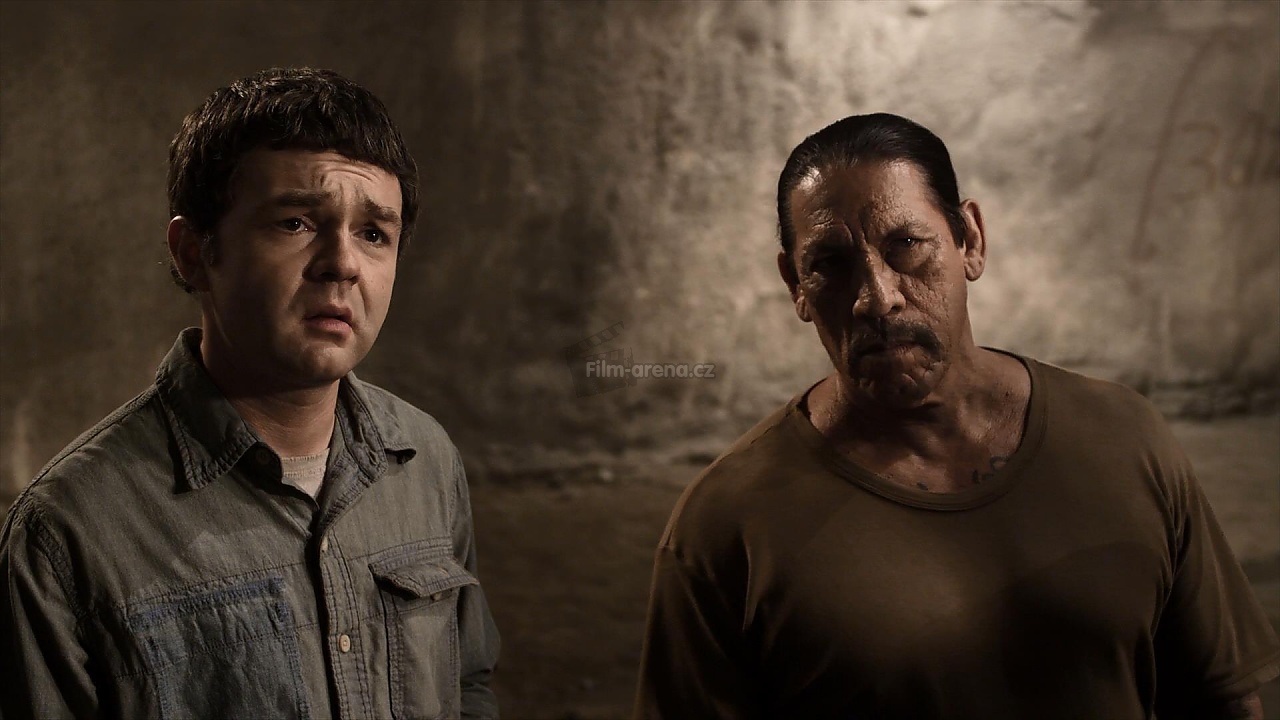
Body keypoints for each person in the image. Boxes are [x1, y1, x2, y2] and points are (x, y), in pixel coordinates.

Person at [634, 113, 1279, 719]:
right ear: (795, 286)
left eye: (906, 245)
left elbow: (1220, 702)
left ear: (970, 239)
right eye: (830, 264)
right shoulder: (724, 528)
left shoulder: (1124, 438)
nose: (877, 298)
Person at [1, 67, 500, 719]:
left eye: (374, 233)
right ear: (194, 252)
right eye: (295, 222)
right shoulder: (69, 531)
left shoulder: (425, 460)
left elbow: (467, 683)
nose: (343, 263)